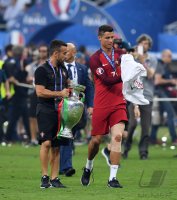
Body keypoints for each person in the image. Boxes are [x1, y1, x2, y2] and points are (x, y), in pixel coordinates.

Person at [80, 25, 127, 188]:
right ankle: (88, 166)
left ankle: (112, 178)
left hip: (119, 102)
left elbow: (133, 72)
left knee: (117, 137)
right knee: (96, 141)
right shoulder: (94, 59)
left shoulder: (122, 54)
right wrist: (123, 73)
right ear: (99, 38)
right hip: (101, 103)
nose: (110, 40)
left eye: (112, 37)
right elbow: (107, 80)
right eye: (107, 37)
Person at [34, 40, 70, 189]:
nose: (66, 55)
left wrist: (70, 91)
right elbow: (40, 91)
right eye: (64, 53)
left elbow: (66, 87)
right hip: (46, 109)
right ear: (56, 53)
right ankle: (44, 176)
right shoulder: (42, 70)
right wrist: (59, 93)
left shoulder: (63, 70)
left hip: (61, 110)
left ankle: (55, 178)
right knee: (46, 143)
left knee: (56, 146)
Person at [59, 43, 94, 176]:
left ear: (74, 53)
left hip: (76, 108)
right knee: (64, 136)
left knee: (68, 135)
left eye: (67, 51)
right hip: (60, 106)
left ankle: (63, 166)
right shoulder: (58, 67)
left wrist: (90, 105)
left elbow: (89, 87)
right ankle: (66, 166)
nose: (65, 54)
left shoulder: (82, 69)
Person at [123, 34, 157, 160]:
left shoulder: (152, 59)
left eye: (146, 43)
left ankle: (143, 152)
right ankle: (126, 148)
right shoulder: (132, 58)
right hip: (133, 95)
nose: (144, 45)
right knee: (131, 124)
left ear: (149, 45)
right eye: (142, 43)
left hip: (147, 96)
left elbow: (150, 75)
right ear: (138, 44)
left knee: (145, 126)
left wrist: (143, 61)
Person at [150, 49, 177, 145]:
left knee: (159, 117)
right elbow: (157, 81)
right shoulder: (160, 65)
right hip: (160, 93)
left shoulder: (165, 66)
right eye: (169, 56)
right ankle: (174, 139)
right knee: (171, 114)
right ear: (163, 56)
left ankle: (152, 139)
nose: (170, 58)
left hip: (162, 93)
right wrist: (171, 82)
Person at [26, 44, 49, 146]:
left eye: (44, 51)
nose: (42, 53)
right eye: (41, 51)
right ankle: (33, 139)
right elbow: (28, 77)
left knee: (44, 116)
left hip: (45, 92)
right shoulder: (34, 65)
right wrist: (30, 79)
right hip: (34, 92)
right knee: (32, 116)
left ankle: (43, 137)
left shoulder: (50, 65)